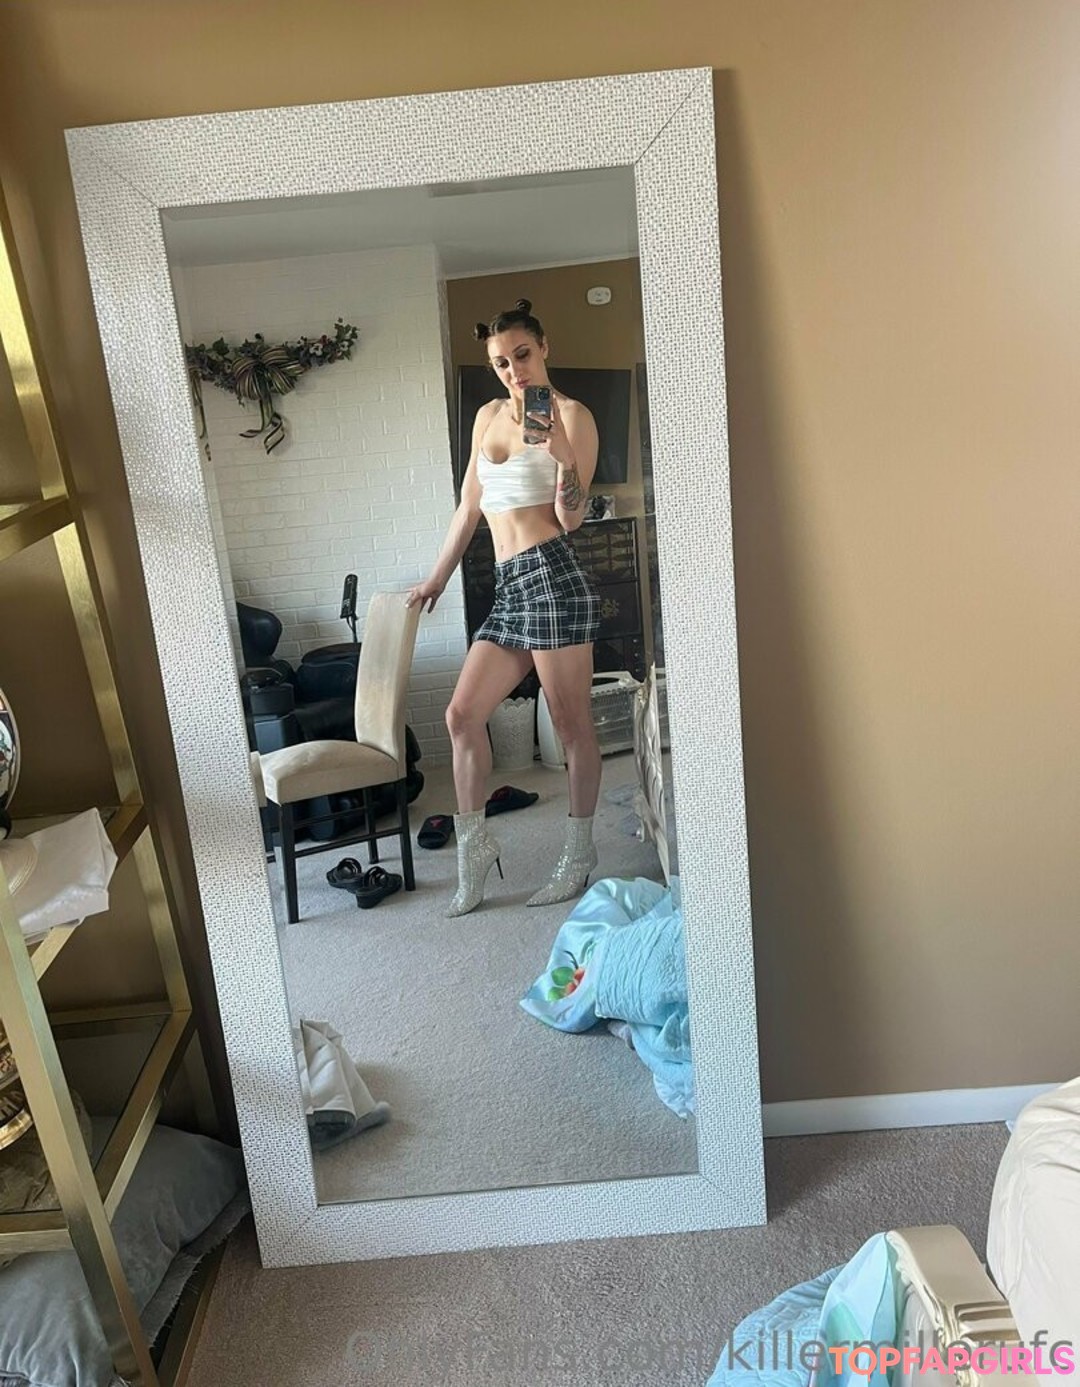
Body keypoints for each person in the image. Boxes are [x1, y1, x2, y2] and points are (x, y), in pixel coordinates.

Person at [407, 299, 601, 917]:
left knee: (571, 728)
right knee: (462, 716)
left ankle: (578, 855)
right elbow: (469, 507)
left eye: (522, 355)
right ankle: (475, 851)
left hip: (553, 577)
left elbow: (571, 519)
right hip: (509, 586)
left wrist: (563, 455)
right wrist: (436, 578)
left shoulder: (572, 415)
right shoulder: (488, 416)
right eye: (501, 362)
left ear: (543, 349)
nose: (515, 370)